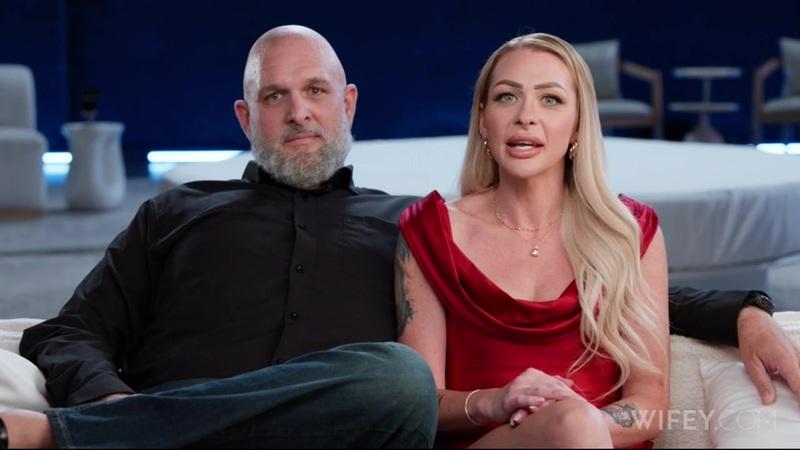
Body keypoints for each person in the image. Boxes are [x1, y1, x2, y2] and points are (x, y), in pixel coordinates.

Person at [0, 24, 797, 449]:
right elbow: (67, 330)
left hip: (348, 434)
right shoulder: (175, 214)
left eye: (316, 91)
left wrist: (746, 310)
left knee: (399, 380)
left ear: (348, 104)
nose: (299, 112)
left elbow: (590, 279)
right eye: (274, 97)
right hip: (163, 432)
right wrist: (118, 412)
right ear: (245, 117)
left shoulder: (409, 225)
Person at [394, 32, 800, 449]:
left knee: (571, 421)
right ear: (483, 119)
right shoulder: (429, 231)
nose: (526, 116)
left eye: (550, 99)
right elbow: (423, 404)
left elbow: (648, 406)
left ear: (577, 126)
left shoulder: (630, 233)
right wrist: (498, 402)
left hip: (599, 440)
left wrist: (575, 425)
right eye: (506, 97)